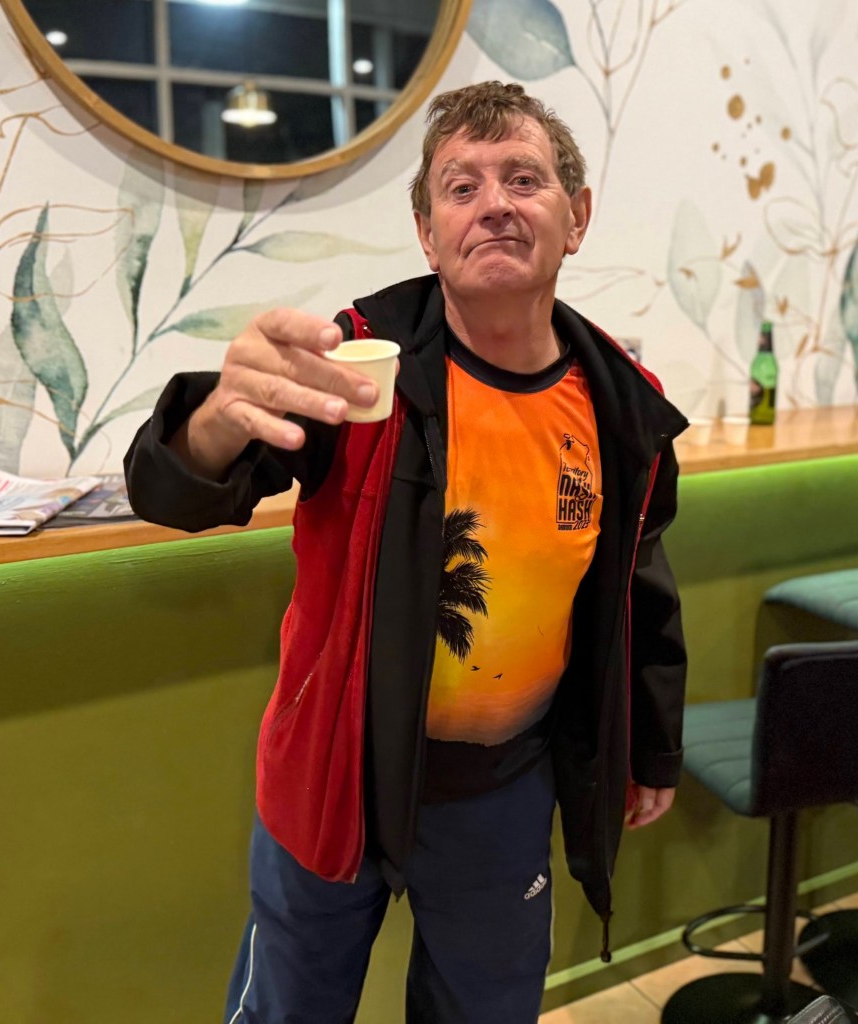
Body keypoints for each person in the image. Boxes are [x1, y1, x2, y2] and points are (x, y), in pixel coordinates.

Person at [125, 80, 689, 1023]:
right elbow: (176, 492)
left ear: (577, 217)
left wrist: (652, 747)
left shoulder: (622, 403)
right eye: (461, 187)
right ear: (428, 235)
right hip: (335, 771)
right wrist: (214, 420)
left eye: (524, 179)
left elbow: (639, 585)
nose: (494, 204)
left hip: (503, 789)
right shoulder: (357, 362)